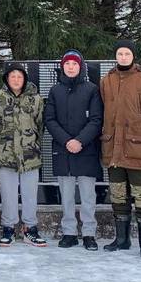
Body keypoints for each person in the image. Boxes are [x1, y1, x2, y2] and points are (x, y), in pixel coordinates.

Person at [99, 40, 141, 257]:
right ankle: (122, 239)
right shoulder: (106, 80)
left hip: (136, 151)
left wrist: (140, 136)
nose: (123, 57)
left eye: (127, 53)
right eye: (119, 53)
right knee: (118, 195)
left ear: (133, 56)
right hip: (112, 149)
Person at [0, 62, 46, 248]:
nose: (16, 80)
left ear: (24, 79)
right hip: (6, 155)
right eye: (12, 76)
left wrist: (31, 142)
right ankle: (8, 228)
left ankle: (30, 229)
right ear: (6, 79)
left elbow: (40, 125)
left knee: (29, 194)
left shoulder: (35, 99)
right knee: (8, 194)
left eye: (19, 76)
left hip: (30, 155)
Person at [44, 50, 103, 251]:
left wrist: (79, 141)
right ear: (63, 67)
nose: (70, 67)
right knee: (66, 195)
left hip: (86, 151)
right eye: (67, 64)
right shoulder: (55, 90)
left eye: (74, 64)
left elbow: (96, 120)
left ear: (81, 67)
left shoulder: (92, 90)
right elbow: (49, 119)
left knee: (88, 196)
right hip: (63, 151)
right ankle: (69, 232)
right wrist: (67, 140)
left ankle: (89, 233)